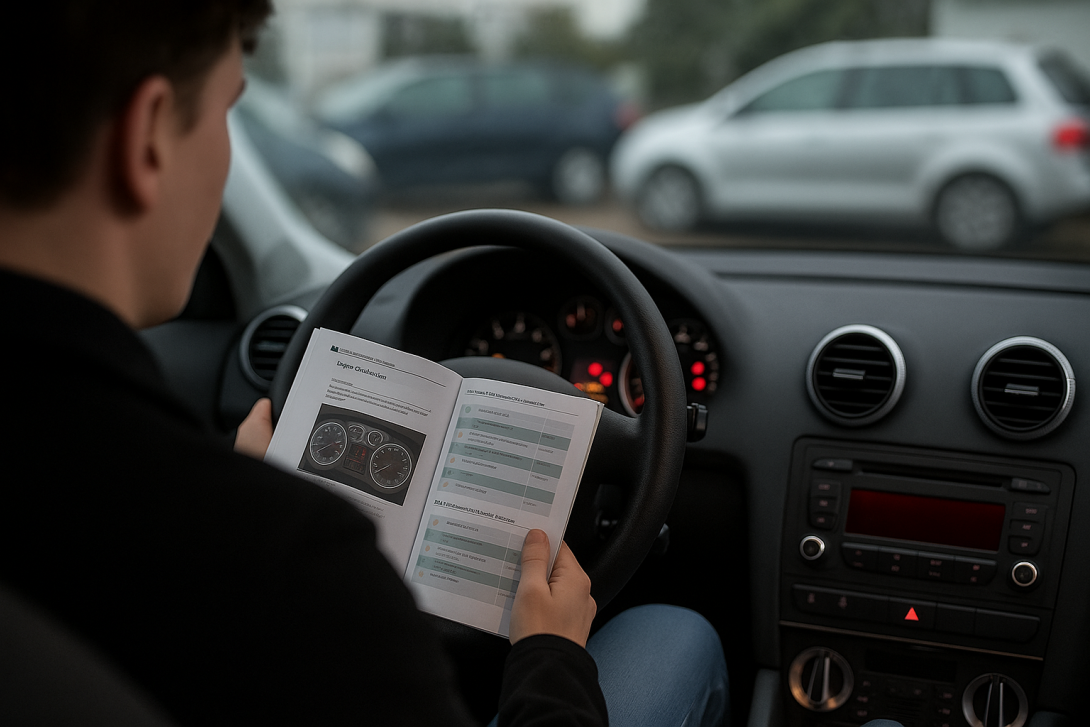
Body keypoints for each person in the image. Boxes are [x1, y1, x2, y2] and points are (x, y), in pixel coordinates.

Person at [0, 2, 726, 725]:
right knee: (675, 633)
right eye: (227, 111)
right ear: (150, 134)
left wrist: (247, 483)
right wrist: (549, 653)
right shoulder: (290, 565)